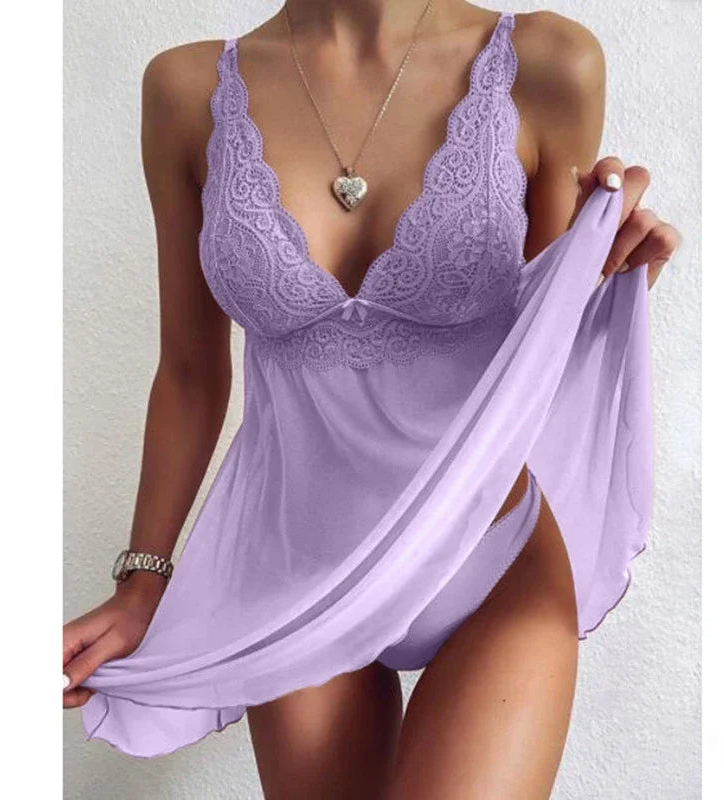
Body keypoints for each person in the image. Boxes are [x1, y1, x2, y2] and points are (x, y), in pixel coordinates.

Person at [63, 1, 680, 797]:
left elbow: (540, 350)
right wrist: (143, 580)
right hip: (294, 578)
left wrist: (614, 278)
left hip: (491, 564)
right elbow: (189, 368)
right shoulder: (186, 90)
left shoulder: (548, 63)